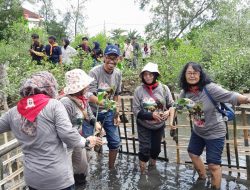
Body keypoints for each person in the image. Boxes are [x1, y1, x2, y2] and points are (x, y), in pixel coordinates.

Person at [0, 71, 101, 190]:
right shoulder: (54, 105)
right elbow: (68, 135)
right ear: (49, 86)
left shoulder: (13, 112)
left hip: (32, 177)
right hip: (58, 177)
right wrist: (87, 142)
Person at [178, 62, 250, 189]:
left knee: (213, 165)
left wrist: (246, 99)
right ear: (185, 75)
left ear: (200, 74)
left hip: (215, 132)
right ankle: (202, 178)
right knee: (193, 153)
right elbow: (177, 105)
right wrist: (168, 111)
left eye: (195, 73)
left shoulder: (210, 88)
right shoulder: (185, 92)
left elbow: (230, 95)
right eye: (189, 73)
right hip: (198, 131)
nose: (192, 76)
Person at [60, 69, 104, 185]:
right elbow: (63, 128)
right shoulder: (66, 103)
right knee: (67, 173)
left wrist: (95, 123)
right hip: (66, 143)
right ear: (79, 87)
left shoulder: (82, 99)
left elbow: (88, 113)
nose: (88, 86)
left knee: (82, 168)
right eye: (86, 85)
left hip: (77, 139)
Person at [133, 62, 175, 174]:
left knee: (156, 150)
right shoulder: (139, 90)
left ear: (155, 75)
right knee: (144, 150)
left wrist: (167, 112)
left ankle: (152, 170)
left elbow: (172, 105)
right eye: (145, 74)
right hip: (144, 125)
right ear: (142, 76)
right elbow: (136, 110)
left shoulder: (164, 89)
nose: (148, 77)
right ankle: (143, 174)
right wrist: (151, 115)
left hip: (159, 125)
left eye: (151, 74)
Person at [88, 44, 122, 169]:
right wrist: (102, 102)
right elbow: (89, 94)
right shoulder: (94, 72)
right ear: (104, 57)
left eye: (115, 58)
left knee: (115, 142)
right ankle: (89, 170)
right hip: (92, 112)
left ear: (118, 59)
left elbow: (117, 95)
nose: (111, 61)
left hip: (108, 112)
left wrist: (116, 113)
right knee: (87, 142)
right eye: (109, 57)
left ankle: (111, 169)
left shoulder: (118, 74)